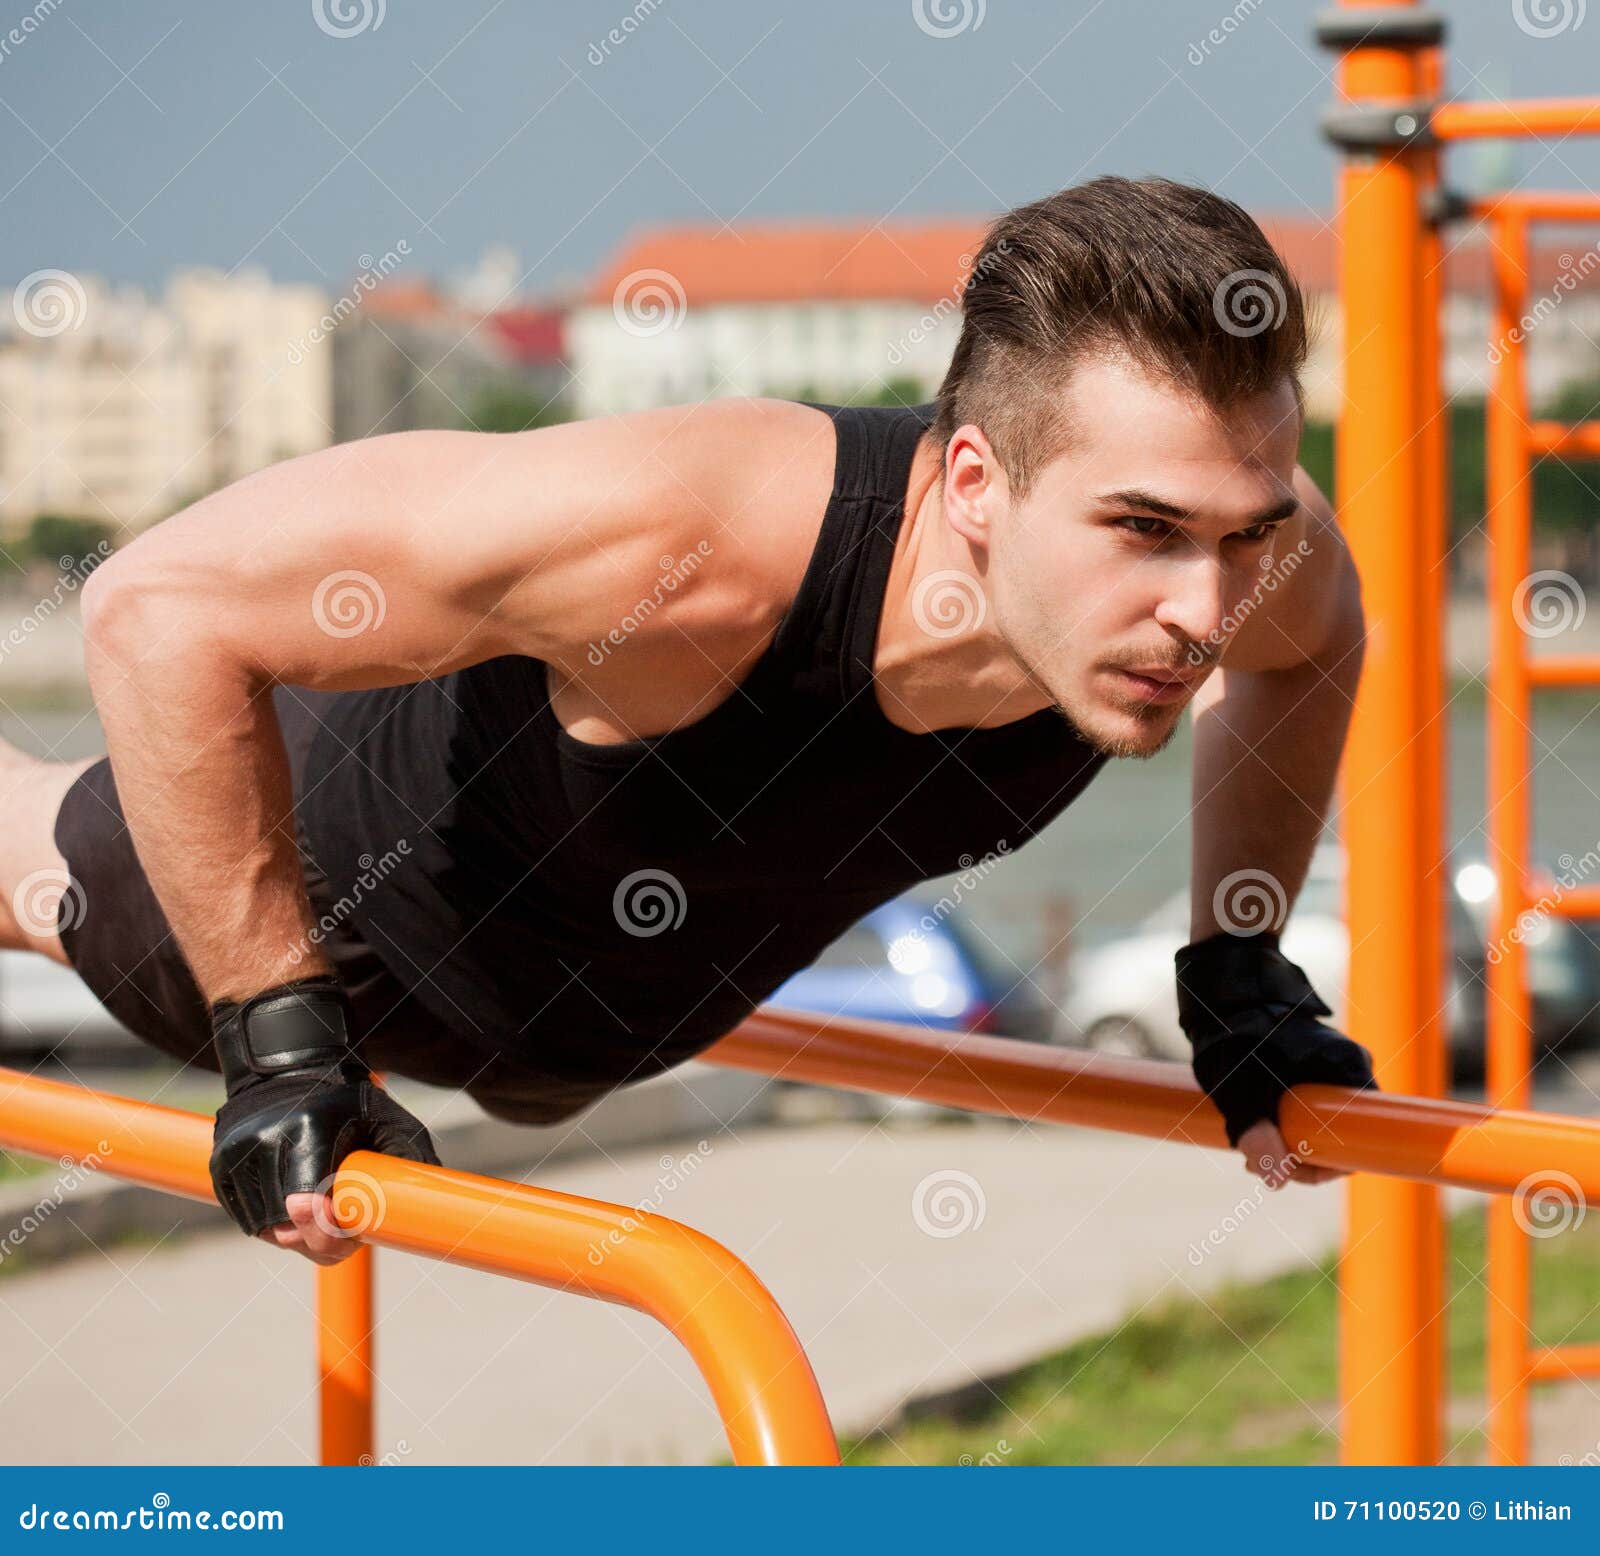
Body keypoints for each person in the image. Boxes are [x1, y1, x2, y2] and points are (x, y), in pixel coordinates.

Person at [2, 174, 1374, 1265]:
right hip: (293, 919)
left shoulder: (1231, 549)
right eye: (1144, 532)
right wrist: (280, 1043)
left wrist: (1236, 970)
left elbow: (1313, 649)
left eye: (1244, 537)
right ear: (973, 480)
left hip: (562, 1043)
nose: (1206, 608)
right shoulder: (694, 540)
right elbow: (156, 606)